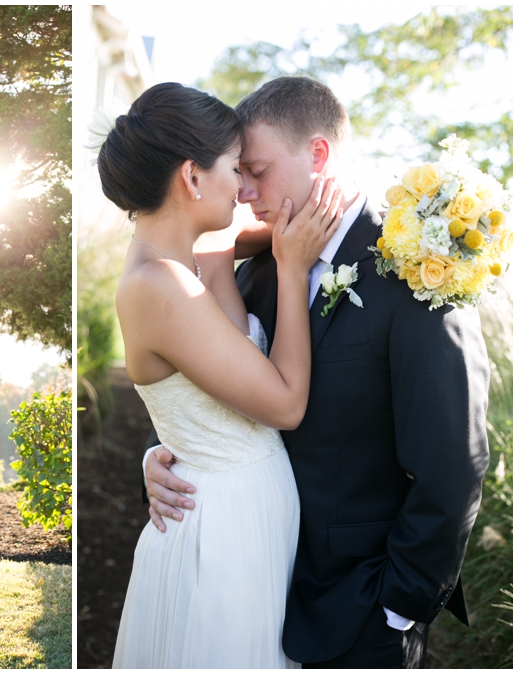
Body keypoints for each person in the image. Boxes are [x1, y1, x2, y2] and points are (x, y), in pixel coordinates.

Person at [144, 76, 490, 668]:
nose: (244, 191)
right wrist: (164, 455)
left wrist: (398, 609)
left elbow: (453, 463)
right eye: (238, 172)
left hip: (358, 609)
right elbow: (215, 393)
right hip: (248, 585)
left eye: (256, 170)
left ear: (318, 154)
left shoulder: (417, 272)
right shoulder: (255, 274)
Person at [96, 82, 343, 668]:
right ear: (192, 176)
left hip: (244, 514)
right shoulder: (161, 286)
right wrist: (290, 267)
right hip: (224, 531)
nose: (244, 188)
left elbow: (270, 225)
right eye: (235, 168)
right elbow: (284, 405)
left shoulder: (193, 257)